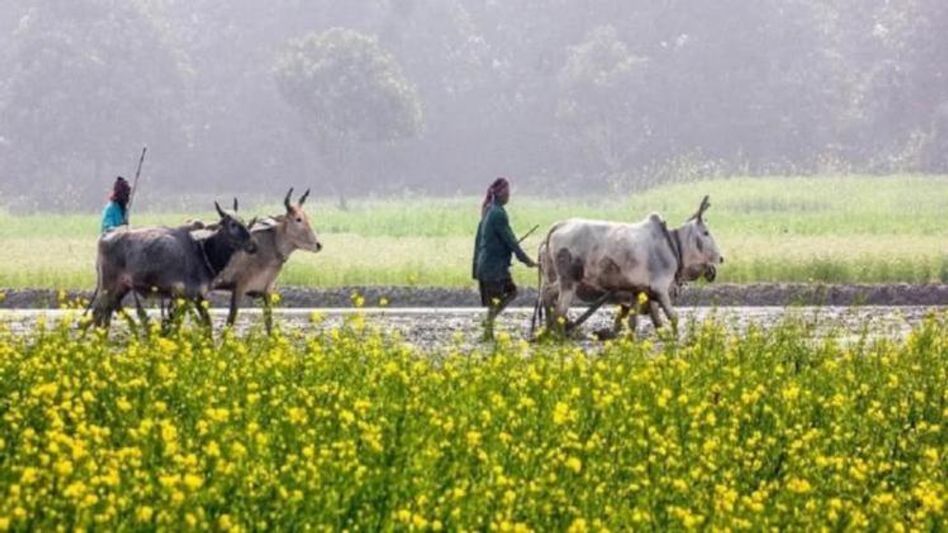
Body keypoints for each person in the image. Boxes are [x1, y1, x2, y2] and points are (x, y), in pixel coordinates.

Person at [473, 177, 537, 340]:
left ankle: (488, 328)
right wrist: (527, 260)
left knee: (502, 297)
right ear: (499, 194)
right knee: (508, 294)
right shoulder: (498, 214)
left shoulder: (488, 210)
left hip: (486, 265)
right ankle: (489, 324)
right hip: (493, 267)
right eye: (507, 193)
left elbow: (481, 241)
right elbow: (511, 241)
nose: (509, 196)